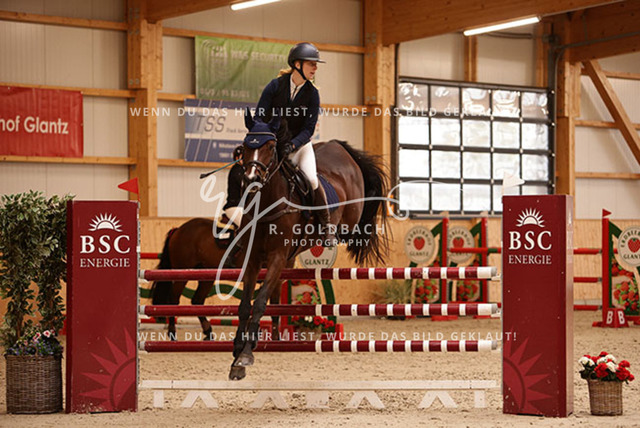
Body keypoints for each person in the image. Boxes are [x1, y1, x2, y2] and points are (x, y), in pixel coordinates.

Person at [255, 42, 337, 246]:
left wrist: (292, 145)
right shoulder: (275, 86)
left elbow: (309, 129)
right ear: (297, 64)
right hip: (273, 145)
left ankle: (326, 227)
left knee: (312, 179)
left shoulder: (312, 94)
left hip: (299, 147)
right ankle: (244, 223)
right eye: (311, 64)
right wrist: (269, 139)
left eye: (316, 65)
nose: (315, 68)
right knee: (253, 174)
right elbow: (259, 117)